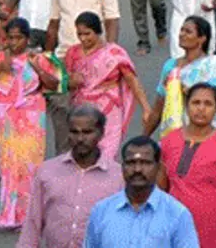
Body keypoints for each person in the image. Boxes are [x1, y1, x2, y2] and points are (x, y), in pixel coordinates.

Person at [0, 17, 59, 229]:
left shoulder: (37, 58)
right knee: (4, 167)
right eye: (10, 38)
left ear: (27, 38)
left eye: (19, 38)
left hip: (31, 117)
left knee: (29, 165)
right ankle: (10, 213)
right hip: (5, 117)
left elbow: (54, 84)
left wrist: (37, 68)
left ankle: (28, 217)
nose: (14, 43)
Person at [45, 0, 121, 150]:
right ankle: (65, 160)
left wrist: (111, 53)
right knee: (62, 114)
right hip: (64, 59)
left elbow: (112, 21)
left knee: (93, 116)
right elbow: (53, 25)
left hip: (95, 59)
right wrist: (48, 58)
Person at [16, 106, 123, 248]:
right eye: (74, 132)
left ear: (101, 134)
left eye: (87, 132)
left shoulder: (118, 176)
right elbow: (33, 222)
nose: (80, 138)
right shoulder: (47, 171)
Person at [157, 83, 216, 248]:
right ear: (186, 105)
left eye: (208, 104)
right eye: (196, 102)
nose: (201, 108)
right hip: (173, 228)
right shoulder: (168, 142)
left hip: (212, 232)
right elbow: (160, 189)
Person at [64, 11, 153, 160]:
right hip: (81, 110)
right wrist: (72, 81)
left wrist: (146, 108)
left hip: (109, 110)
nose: (83, 38)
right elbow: (65, 81)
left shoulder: (114, 53)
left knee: (107, 153)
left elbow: (132, 80)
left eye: (87, 34)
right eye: (80, 34)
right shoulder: (73, 53)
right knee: (84, 150)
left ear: (98, 31)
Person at [85, 136, 200, 248]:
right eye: (131, 162)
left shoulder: (177, 214)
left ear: (158, 168)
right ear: (122, 167)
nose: (137, 169)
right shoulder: (101, 211)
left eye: (145, 163)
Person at [147, 16, 216, 140]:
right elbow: (158, 107)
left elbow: (214, 95)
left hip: (204, 135)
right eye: (181, 30)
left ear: (202, 39)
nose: (181, 34)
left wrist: (184, 89)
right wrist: (143, 137)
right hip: (172, 135)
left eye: (188, 32)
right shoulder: (170, 66)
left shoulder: (213, 64)